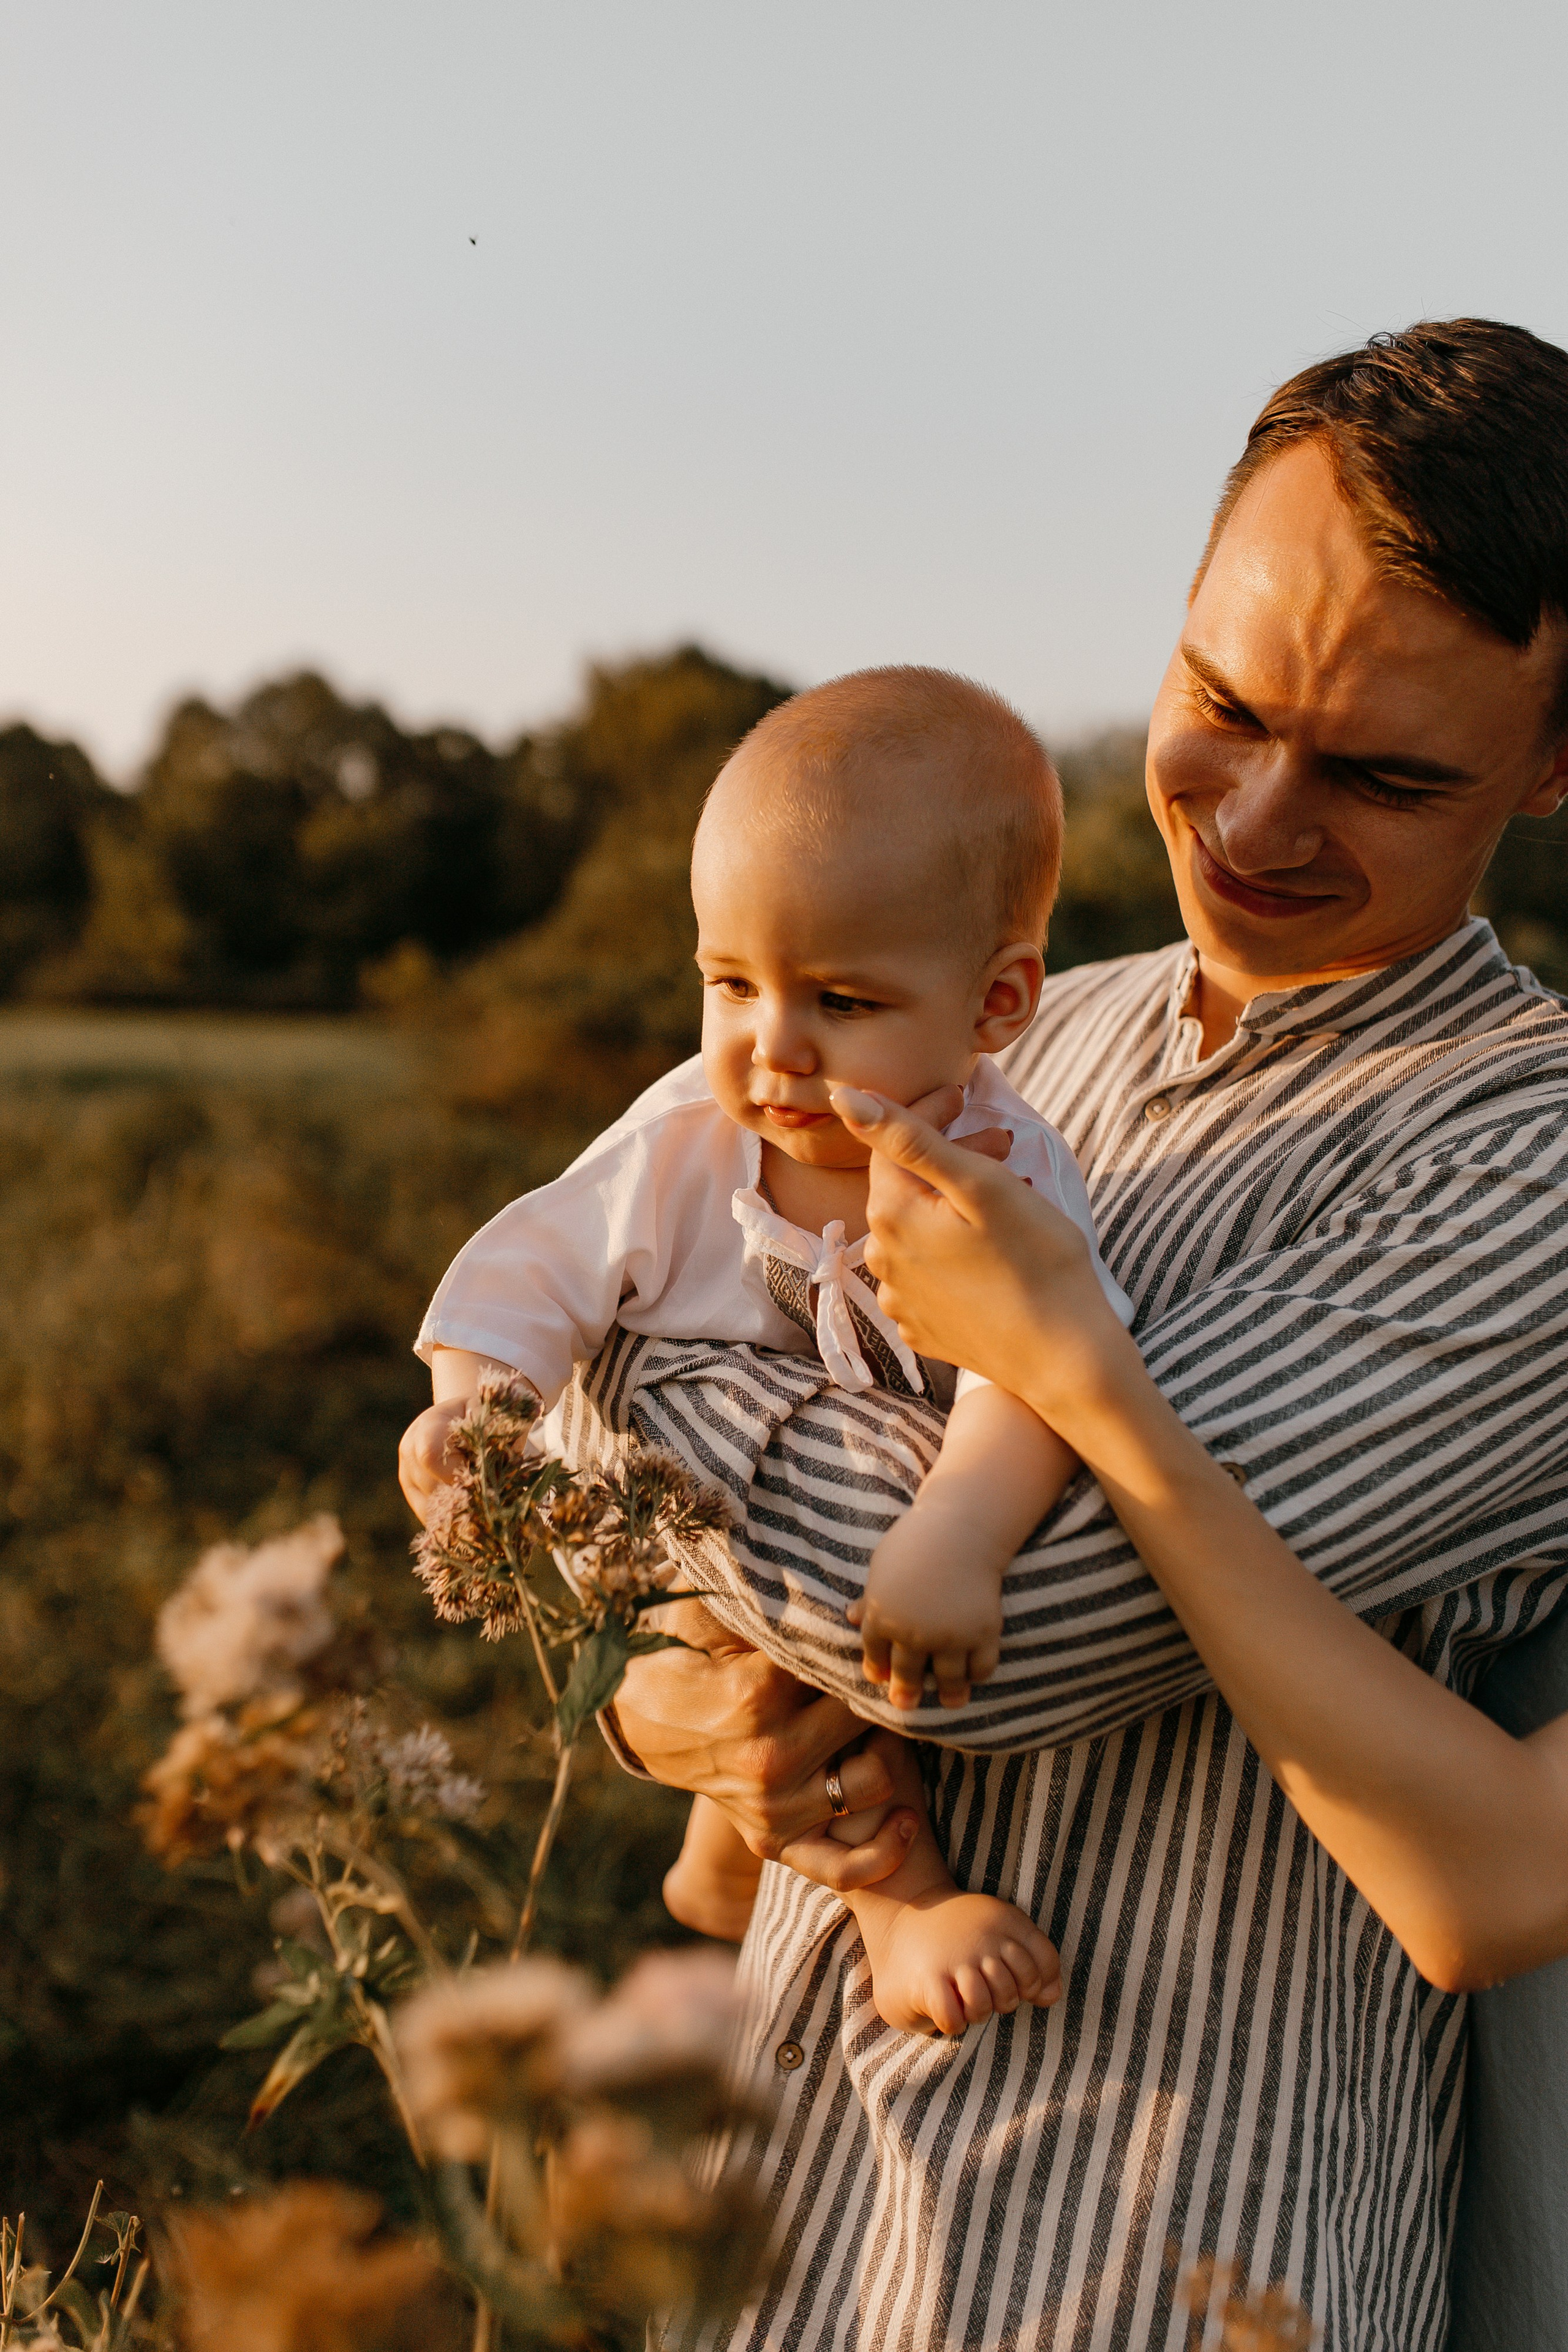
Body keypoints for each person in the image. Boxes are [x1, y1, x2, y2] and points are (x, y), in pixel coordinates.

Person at [524, 319, 1568, 2351]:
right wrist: (684, 1716)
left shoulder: (1522, 1159)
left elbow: (1026, 1627)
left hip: (1162, 2253)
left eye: (1381, 773)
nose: (1258, 821)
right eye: (1221, 705)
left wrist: (591, 1349)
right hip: (786, 2221)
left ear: (1553, 763)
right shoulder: (1005, 1024)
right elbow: (756, 1607)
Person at [401, 666, 1147, 2034]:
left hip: (860, 1518)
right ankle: (900, 1903)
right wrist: (473, 1405)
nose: (768, 1049)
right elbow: (537, 1268)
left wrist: (961, 1535)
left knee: (871, 1618)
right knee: (758, 1662)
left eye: (840, 1004)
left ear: (994, 1006)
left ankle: (729, 1859)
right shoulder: (686, 1136)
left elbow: (1037, 1374)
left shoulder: (1000, 1176)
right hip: (705, 1562)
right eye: (728, 983)